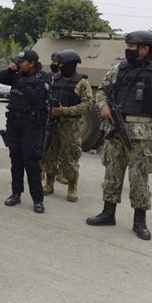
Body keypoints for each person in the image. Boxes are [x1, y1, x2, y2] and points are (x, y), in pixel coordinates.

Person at [86, 30, 152, 240]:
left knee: (139, 177)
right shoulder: (119, 68)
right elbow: (102, 90)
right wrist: (103, 106)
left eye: (131, 47)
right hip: (116, 130)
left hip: (143, 134)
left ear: (144, 48)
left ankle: (140, 221)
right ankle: (108, 213)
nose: (127, 50)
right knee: (112, 172)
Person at [0, 49, 51, 213]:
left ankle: (37, 199)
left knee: (31, 162)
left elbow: (36, 97)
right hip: (14, 122)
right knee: (16, 160)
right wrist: (11, 70)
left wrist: (20, 81)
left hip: (32, 125)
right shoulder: (16, 74)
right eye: (17, 62)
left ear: (32, 63)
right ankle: (15, 193)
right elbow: (0, 78)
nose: (18, 64)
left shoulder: (43, 77)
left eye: (21, 62)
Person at [41, 49, 93, 202]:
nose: (59, 67)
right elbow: (46, 97)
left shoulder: (82, 81)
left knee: (71, 157)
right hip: (53, 123)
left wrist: (65, 110)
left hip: (71, 125)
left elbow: (88, 104)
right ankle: (49, 184)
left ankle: (72, 187)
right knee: (50, 155)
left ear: (71, 65)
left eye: (62, 64)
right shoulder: (54, 79)